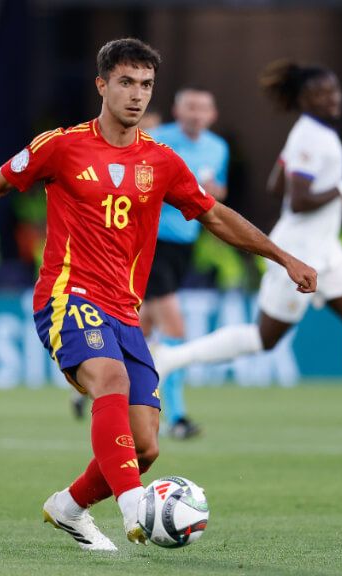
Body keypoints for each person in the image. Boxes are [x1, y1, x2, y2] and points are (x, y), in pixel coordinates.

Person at [0, 38, 317, 552]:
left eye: (146, 85)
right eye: (126, 82)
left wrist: (284, 257)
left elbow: (215, 216)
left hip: (123, 310)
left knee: (146, 445)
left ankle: (68, 508)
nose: (136, 95)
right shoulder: (60, 146)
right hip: (67, 295)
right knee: (109, 378)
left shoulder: (162, 162)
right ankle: (136, 507)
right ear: (102, 85)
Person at [152, 60, 342, 450]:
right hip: (299, 252)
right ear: (304, 99)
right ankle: (168, 360)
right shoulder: (312, 136)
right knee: (263, 339)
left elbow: (275, 181)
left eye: (335, 91)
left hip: (326, 249)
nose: (334, 99)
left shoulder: (308, 134)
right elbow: (296, 200)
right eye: (323, 93)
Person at [141, 87, 229, 439]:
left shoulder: (218, 147)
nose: (196, 114)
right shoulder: (157, 140)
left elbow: (217, 193)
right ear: (177, 111)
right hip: (151, 242)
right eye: (190, 107)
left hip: (184, 245)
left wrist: (209, 190)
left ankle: (92, 387)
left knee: (142, 328)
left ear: (212, 115)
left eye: (203, 108)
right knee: (175, 329)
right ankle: (177, 417)